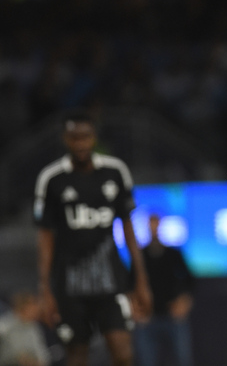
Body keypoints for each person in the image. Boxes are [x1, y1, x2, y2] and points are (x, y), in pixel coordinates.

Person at [34, 111, 152, 366]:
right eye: (74, 137)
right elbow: (45, 237)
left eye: (85, 137)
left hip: (111, 281)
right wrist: (45, 289)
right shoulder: (51, 179)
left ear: (94, 138)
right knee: (76, 356)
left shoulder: (115, 172)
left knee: (123, 353)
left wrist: (140, 280)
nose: (80, 144)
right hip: (69, 285)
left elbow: (129, 228)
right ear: (65, 139)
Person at [133, 214, 194, 366]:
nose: (154, 229)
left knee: (183, 360)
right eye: (150, 225)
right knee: (146, 361)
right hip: (148, 318)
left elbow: (190, 282)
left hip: (172, 317)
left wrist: (184, 303)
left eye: (156, 225)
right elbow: (129, 285)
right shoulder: (139, 256)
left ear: (161, 226)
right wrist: (135, 308)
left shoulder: (173, 254)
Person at [0, 291, 51, 366]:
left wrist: (35, 362)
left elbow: (43, 356)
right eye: (32, 305)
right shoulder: (5, 325)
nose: (36, 310)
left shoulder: (34, 327)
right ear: (22, 307)